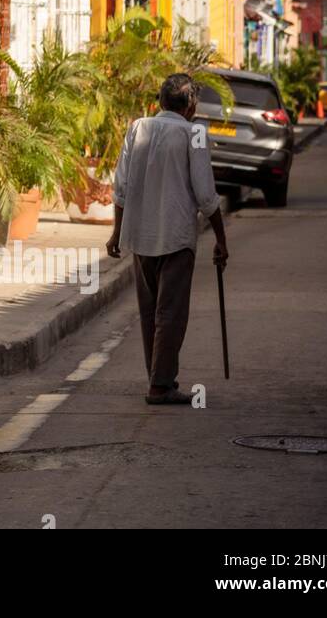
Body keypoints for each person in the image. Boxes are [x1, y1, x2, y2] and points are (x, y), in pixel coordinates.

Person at [107, 73, 228, 406]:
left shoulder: (138, 128)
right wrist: (220, 237)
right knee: (170, 314)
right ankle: (161, 385)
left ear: (162, 101)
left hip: (141, 236)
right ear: (190, 105)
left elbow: (121, 186)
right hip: (175, 237)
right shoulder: (195, 134)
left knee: (150, 314)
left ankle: (158, 379)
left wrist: (117, 232)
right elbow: (205, 195)